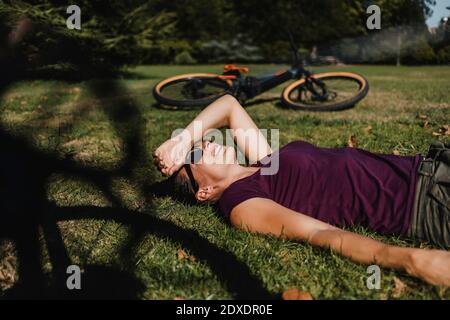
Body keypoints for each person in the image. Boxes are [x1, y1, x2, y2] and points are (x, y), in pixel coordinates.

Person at [153, 94, 450, 287]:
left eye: (198, 143)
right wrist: (410, 260)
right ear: (203, 191)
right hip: (426, 201)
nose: (204, 144)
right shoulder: (242, 202)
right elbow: (320, 234)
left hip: (431, 165)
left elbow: (229, 106)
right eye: (194, 154)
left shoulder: (263, 163)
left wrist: (181, 141)